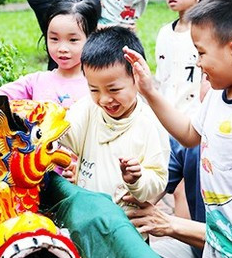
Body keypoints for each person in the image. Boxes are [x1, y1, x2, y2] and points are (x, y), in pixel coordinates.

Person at [123, 0, 232, 258]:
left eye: (202, 53)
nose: (198, 62)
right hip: (215, 241)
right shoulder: (217, 96)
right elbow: (190, 135)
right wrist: (150, 92)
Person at [60, 26, 169, 240]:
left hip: (127, 232)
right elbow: (64, 133)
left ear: (136, 79)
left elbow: (157, 182)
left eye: (114, 90)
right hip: (85, 223)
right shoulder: (87, 110)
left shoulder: (149, 125)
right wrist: (47, 123)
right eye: (94, 90)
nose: (104, 99)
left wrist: (137, 179)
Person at [0, 0, 100, 109]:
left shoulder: (100, 84)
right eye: (54, 39)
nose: (62, 48)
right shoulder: (36, 82)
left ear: (91, 37)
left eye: (73, 40)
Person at [155, 0, 217, 117]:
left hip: (195, 120)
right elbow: (161, 79)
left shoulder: (210, 33)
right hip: (165, 120)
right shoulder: (164, 33)